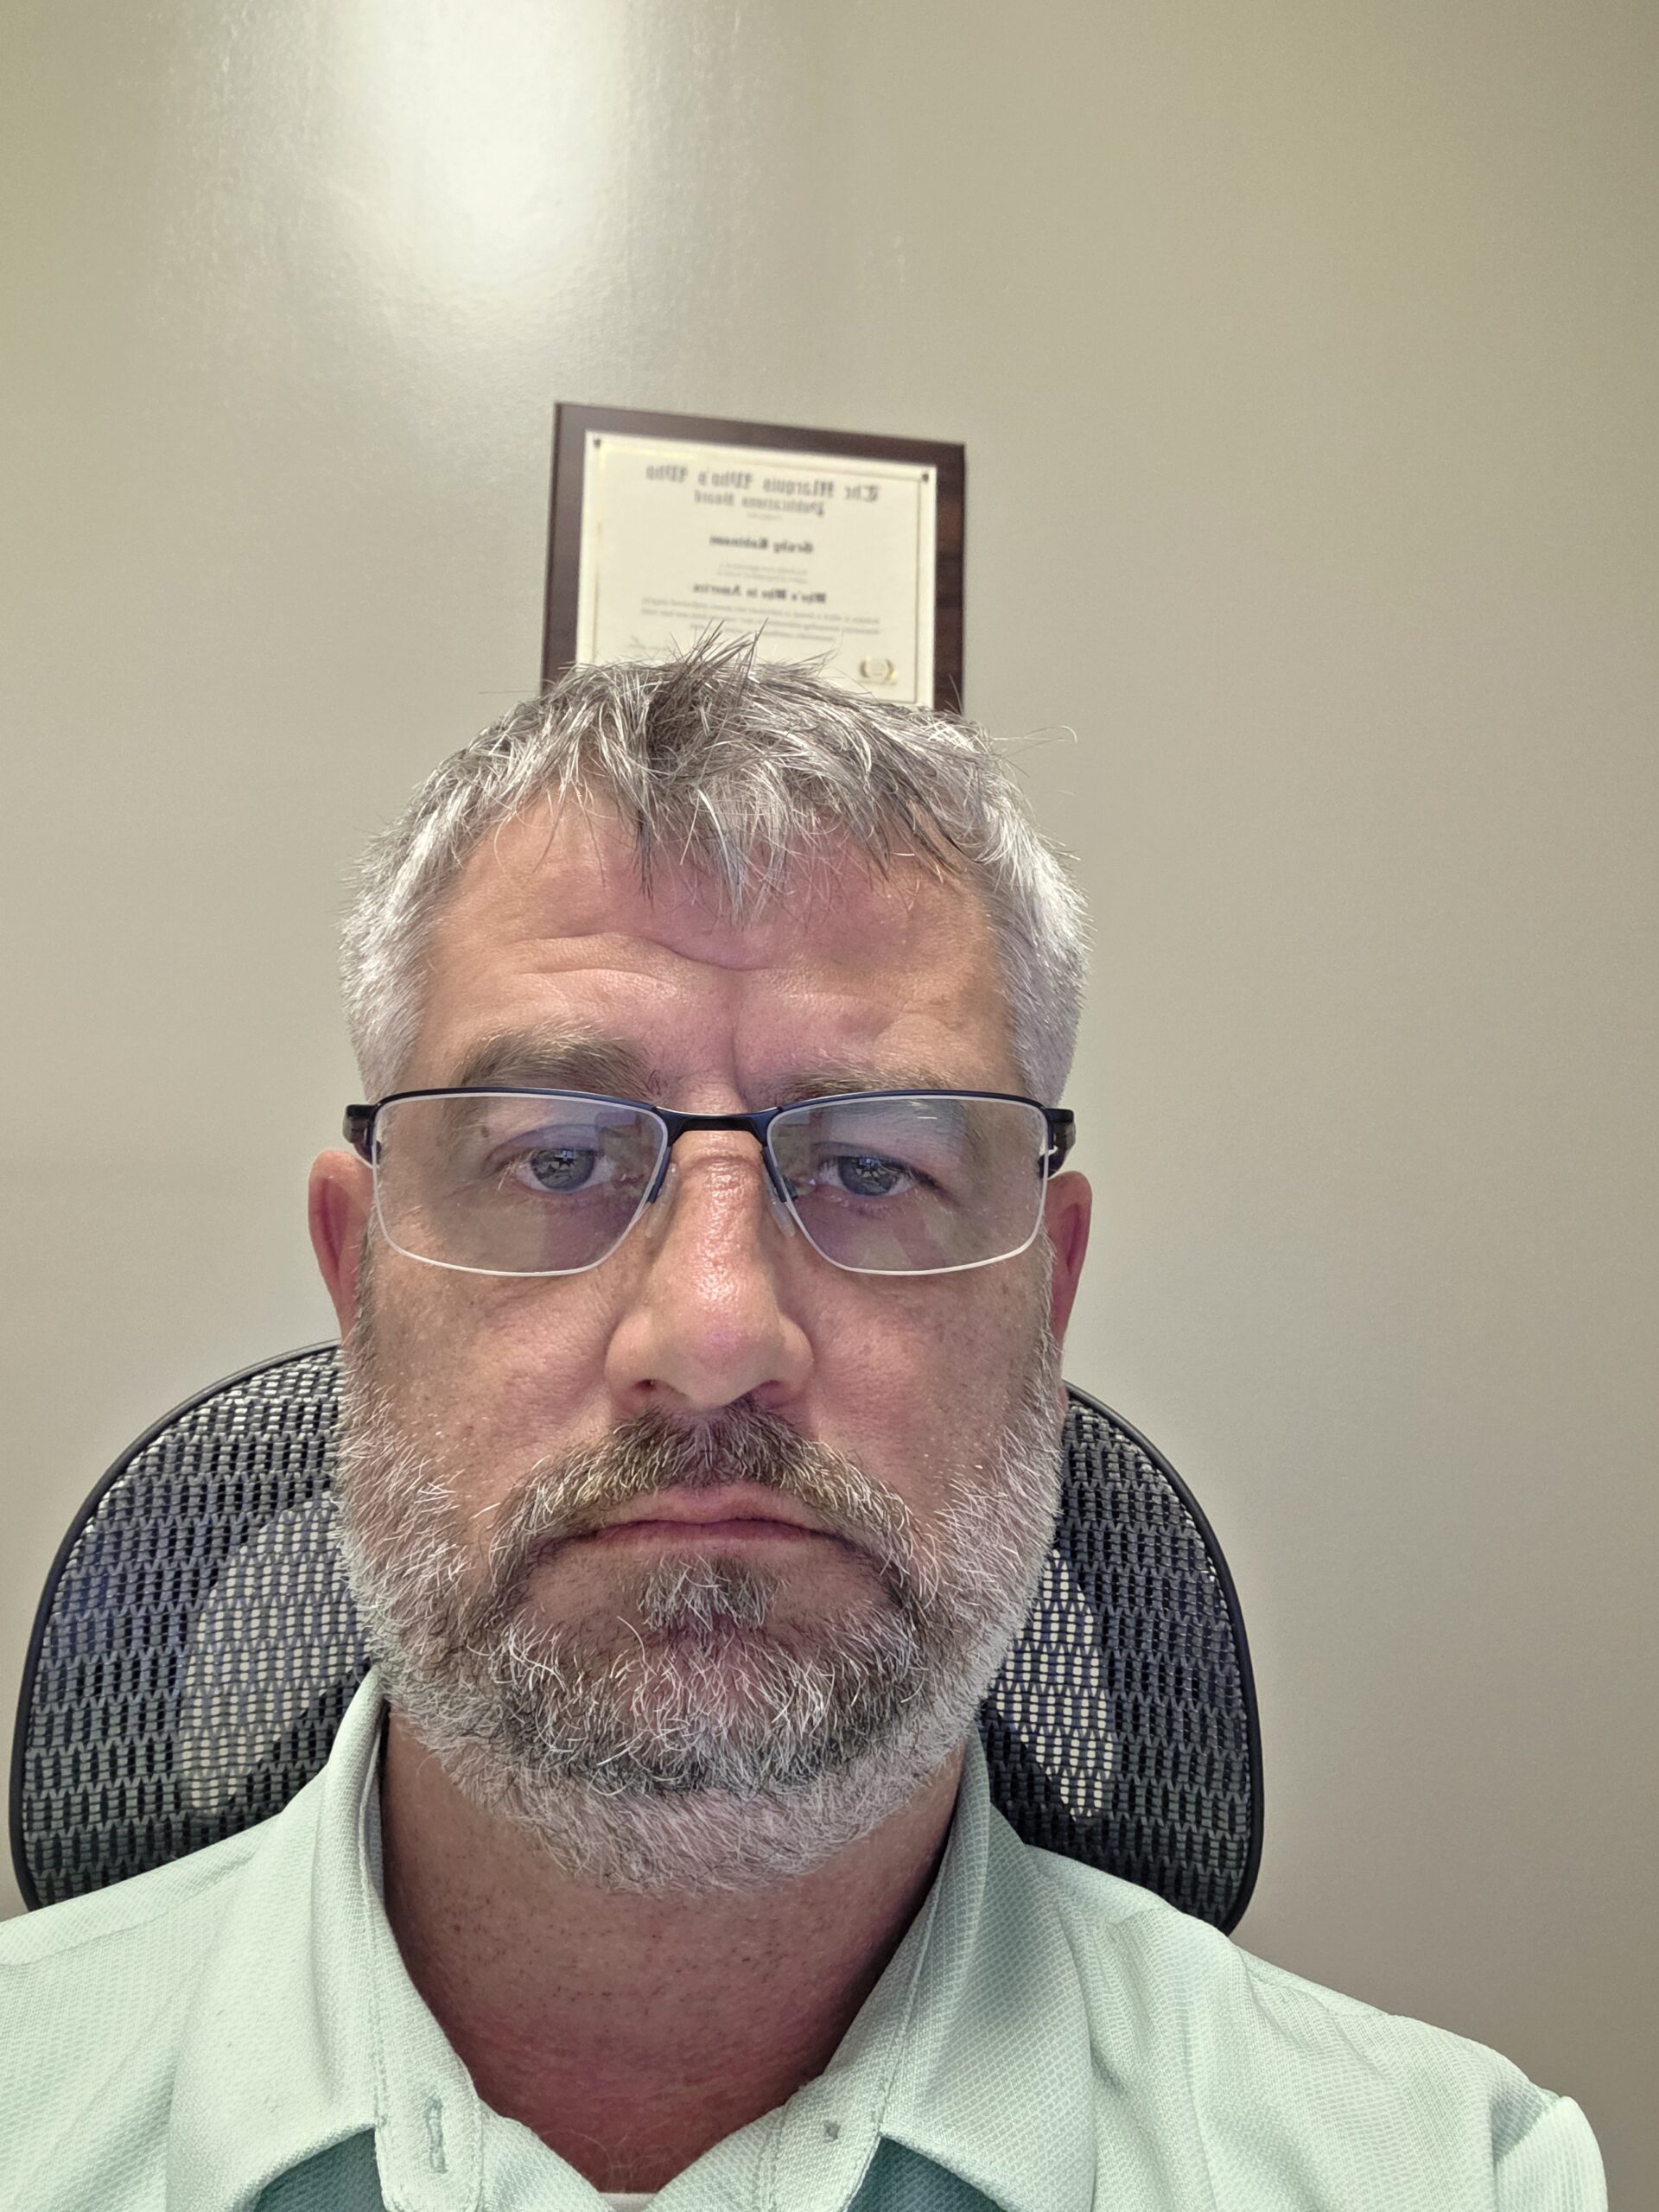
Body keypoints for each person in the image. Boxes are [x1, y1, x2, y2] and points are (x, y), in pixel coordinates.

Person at [0, 646, 1604, 2211]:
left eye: (876, 1166)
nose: (713, 1337)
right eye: (555, 1159)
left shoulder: (1457, 2176)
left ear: (1047, 1296)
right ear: (357, 1279)